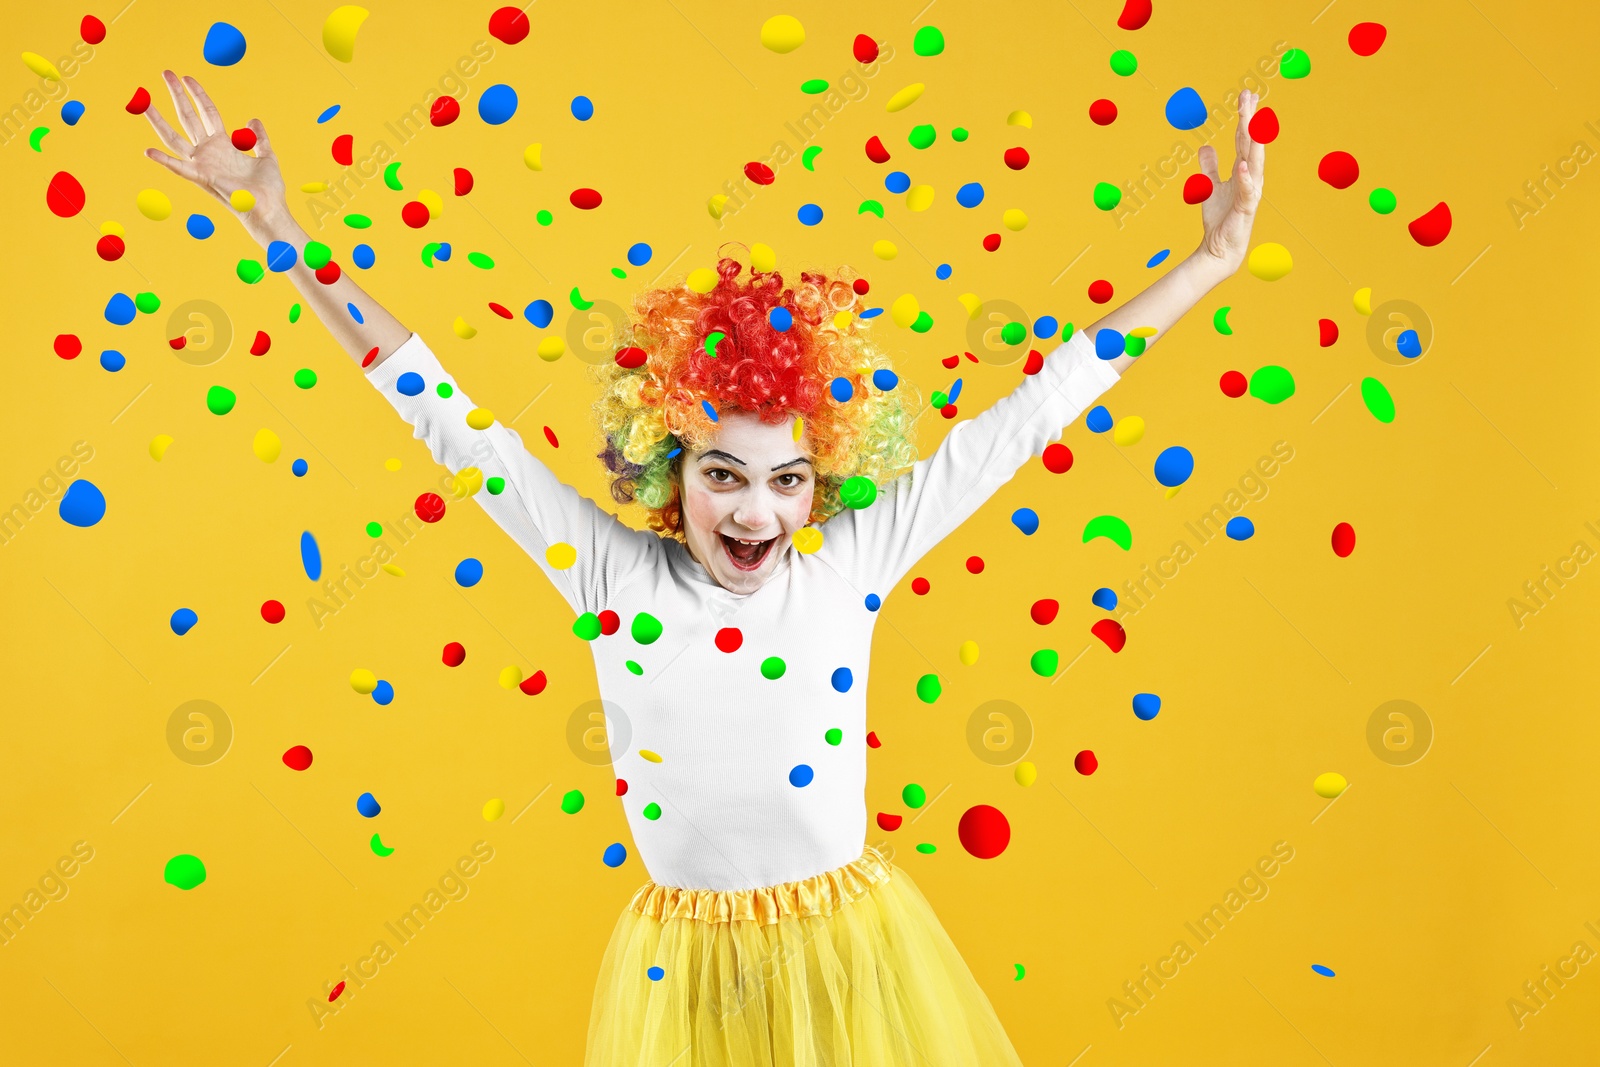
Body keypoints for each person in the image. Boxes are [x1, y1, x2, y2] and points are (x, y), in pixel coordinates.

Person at [144, 70, 1265, 1065]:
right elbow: (435, 407)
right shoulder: (607, 573)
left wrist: (1208, 264)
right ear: (665, 464)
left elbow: (1035, 409)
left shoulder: (855, 558)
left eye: (786, 481)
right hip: (681, 975)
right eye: (722, 473)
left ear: (824, 481)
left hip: (851, 956)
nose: (754, 508)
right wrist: (272, 223)